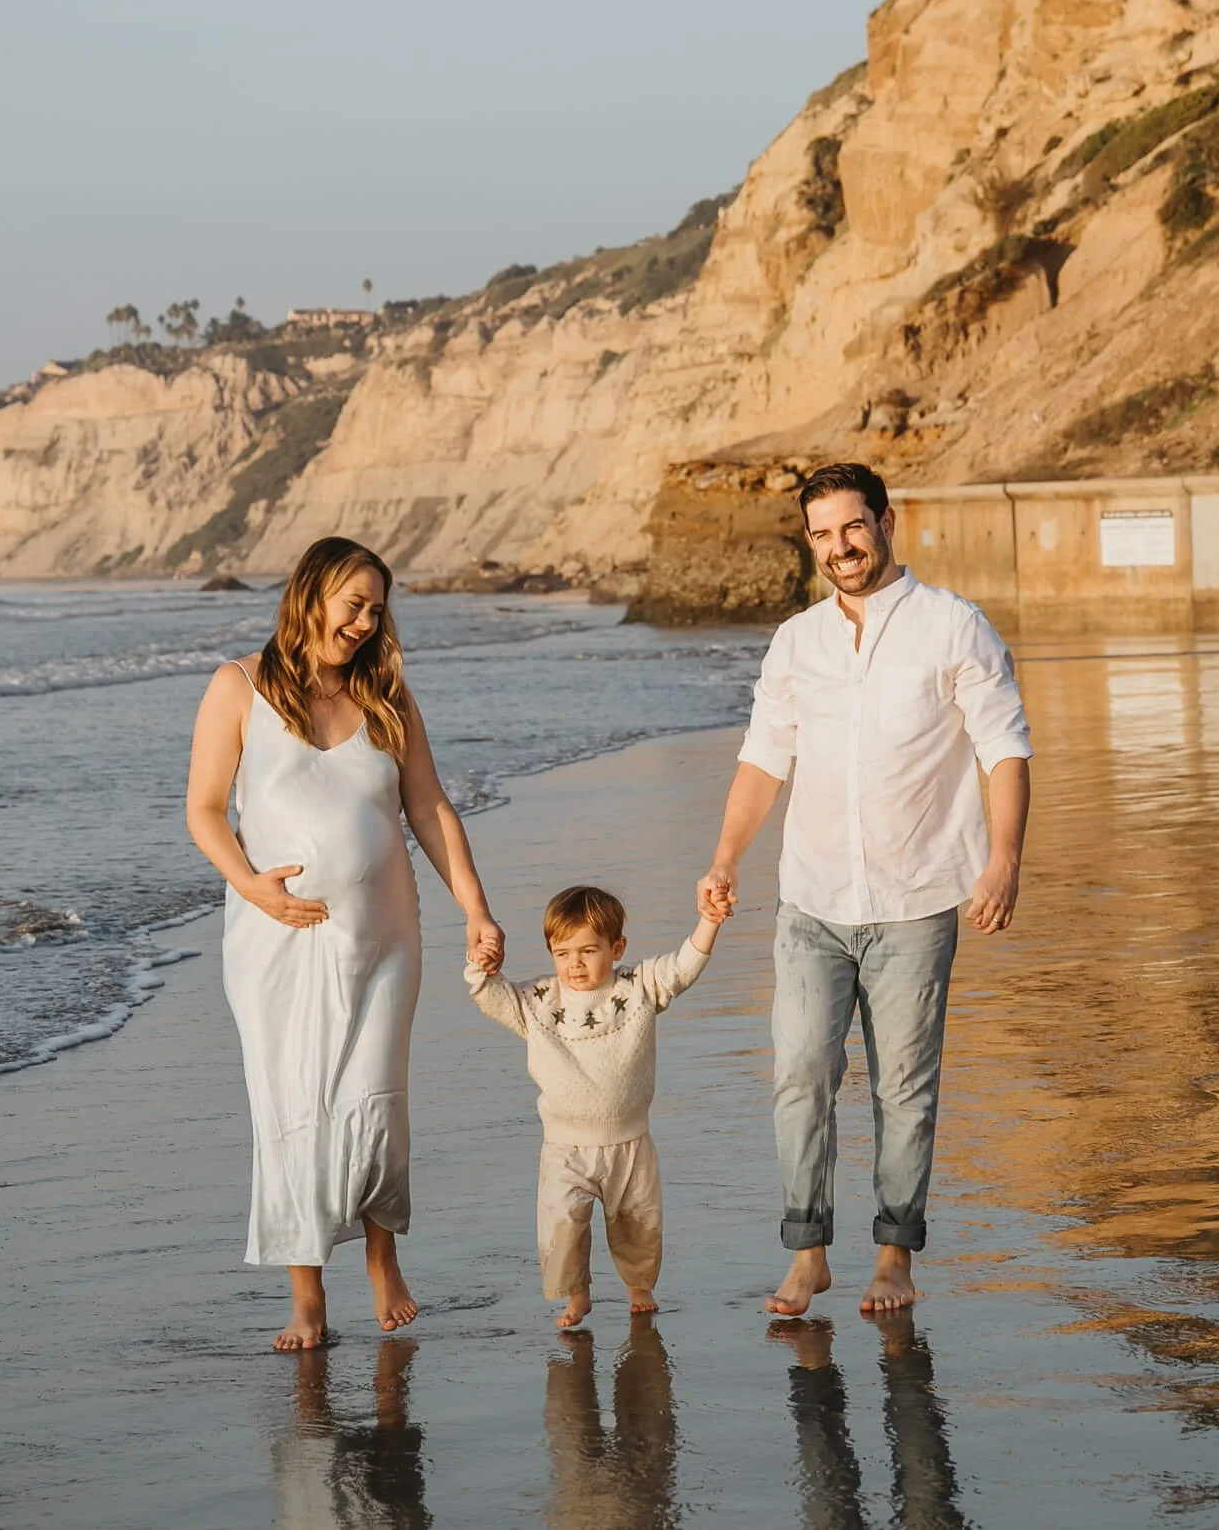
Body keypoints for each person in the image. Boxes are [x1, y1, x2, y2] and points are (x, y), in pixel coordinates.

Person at [697, 461, 1031, 1316]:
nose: (838, 547)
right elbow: (765, 757)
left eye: (852, 527)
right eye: (820, 534)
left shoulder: (954, 626)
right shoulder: (797, 640)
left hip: (916, 899)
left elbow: (1003, 748)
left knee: (904, 1087)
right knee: (801, 1071)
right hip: (810, 900)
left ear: (886, 521)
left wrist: (1003, 860)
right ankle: (808, 1252)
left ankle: (894, 1256)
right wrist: (727, 855)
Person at [186, 535, 505, 1351]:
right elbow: (204, 809)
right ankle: (306, 1295)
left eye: (375, 608)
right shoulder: (238, 687)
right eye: (352, 603)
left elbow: (429, 808)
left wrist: (476, 907)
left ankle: (380, 1255)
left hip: (386, 934)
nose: (364, 622)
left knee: (373, 1099)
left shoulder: (387, 695)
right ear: (309, 593)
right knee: (291, 1106)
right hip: (276, 941)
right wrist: (252, 885)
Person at [466, 884, 727, 1328]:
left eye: (588, 951)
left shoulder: (637, 986)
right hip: (565, 1147)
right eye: (562, 953)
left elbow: (683, 968)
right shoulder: (539, 1001)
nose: (575, 964)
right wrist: (481, 966)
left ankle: (639, 1288)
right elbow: (493, 995)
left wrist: (711, 921)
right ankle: (578, 1294)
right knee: (564, 1223)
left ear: (617, 947)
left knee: (637, 1223)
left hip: (629, 1141)